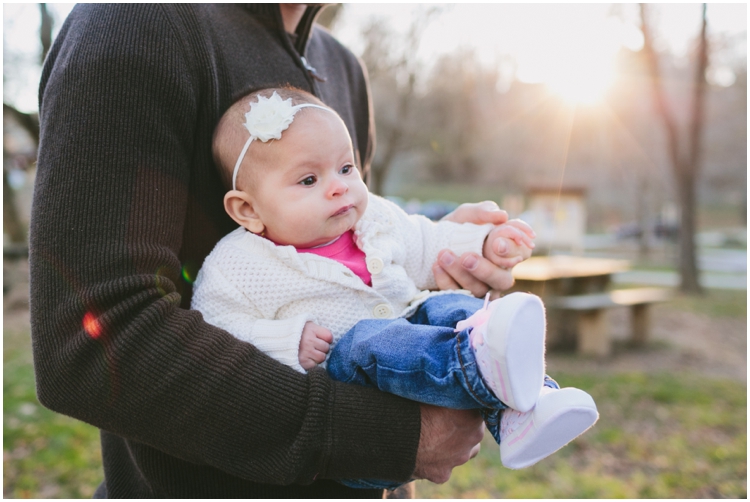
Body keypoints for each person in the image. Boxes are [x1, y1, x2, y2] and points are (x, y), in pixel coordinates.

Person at [30, 5, 531, 498]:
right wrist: (391, 438)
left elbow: (352, 252)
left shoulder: (342, 66)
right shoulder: (135, 23)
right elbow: (92, 342)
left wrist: (448, 254)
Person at [193, 87, 599, 487]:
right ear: (247, 209)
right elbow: (214, 329)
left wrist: (482, 243)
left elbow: (427, 242)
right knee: (368, 338)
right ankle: (481, 363)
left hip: (416, 341)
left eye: (346, 168)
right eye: (309, 179)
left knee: (451, 306)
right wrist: (284, 341)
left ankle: (525, 412)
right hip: (355, 395)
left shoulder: (375, 219)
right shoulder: (237, 265)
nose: (338, 186)